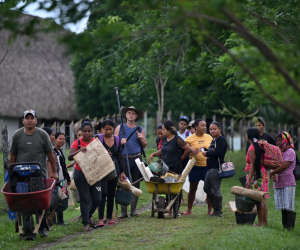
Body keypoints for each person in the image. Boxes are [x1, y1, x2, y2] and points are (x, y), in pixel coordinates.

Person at [9, 109, 58, 237]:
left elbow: (50, 154)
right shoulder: (17, 135)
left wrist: (55, 172)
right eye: (27, 118)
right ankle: (23, 224)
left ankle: (42, 228)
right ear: (23, 121)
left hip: (38, 173)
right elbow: (13, 154)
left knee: (41, 200)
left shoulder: (42, 135)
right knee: (22, 197)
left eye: (32, 118)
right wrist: (12, 170)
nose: (29, 120)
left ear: (36, 120)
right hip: (21, 174)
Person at [148, 120, 198, 217]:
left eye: (163, 130)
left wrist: (180, 159)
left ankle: (175, 210)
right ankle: (169, 210)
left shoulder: (178, 139)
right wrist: (153, 154)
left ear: (169, 130)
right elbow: (162, 151)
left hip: (175, 168)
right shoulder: (165, 139)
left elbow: (188, 149)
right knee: (167, 188)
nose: (162, 132)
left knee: (175, 190)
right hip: (165, 167)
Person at [68, 121, 102, 231]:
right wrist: (79, 151)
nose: (87, 133)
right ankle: (86, 223)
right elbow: (69, 157)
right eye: (84, 131)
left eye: (89, 131)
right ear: (81, 132)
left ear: (92, 132)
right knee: (85, 199)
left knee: (97, 198)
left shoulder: (95, 141)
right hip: (81, 174)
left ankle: (87, 215)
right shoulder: (77, 142)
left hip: (95, 174)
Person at [114, 106, 147, 218]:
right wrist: (120, 142)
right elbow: (113, 145)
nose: (131, 115)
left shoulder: (140, 129)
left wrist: (141, 138)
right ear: (126, 115)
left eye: (133, 113)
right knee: (124, 183)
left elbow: (144, 145)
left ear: (136, 116)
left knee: (136, 183)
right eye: (129, 113)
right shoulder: (119, 127)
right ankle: (124, 212)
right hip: (123, 158)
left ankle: (133, 210)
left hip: (137, 158)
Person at [93, 119, 126, 226]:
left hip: (114, 169)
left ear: (113, 128)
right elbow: (93, 154)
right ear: (102, 129)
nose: (108, 132)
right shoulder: (98, 138)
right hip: (102, 169)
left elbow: (119, 156)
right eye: (106, 129)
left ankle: (110, 218)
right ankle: (101, 219)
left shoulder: (116, 139)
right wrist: (103, 153)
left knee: (111, 193)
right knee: (103, 193)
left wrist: (121, 171)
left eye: (110, 129)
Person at [182, 118, 213, 216]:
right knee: (192, 189)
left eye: (205, 125)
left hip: (207, 167)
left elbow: (213, 149)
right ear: (196, 127)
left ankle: (210, 211)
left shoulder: (209, 137)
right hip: (194, 167)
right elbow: (183, 148)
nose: (205, 127)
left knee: (209, 188)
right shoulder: (189, 139)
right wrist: (191, 149)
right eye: (202, 125)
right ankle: (189, 210)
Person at [269, 132, 297, 230]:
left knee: (288, 205)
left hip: (288, 182)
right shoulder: (279, 151)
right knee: (283, 205)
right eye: (277, 140)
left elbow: (284, 165)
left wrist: (272, 172)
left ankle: (289, 228)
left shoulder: (290, 151)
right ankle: (285, 227)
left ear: (286, 140)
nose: (278, 142)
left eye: (280, 140)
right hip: (279, 182)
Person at [202, 122, 227, 217]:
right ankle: (216, 208)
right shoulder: (215, 139)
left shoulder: (220, 139)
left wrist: (207, 154)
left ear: (219, 129)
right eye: (211, 129)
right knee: (206, 188)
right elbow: (213, 151)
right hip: (210, 168)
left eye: (214, 129)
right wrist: (204, 149)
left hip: (216, 168)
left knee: (216, 189)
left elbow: (219, 153)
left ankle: (218, 211)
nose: (212, 131)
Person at [245, 127, 269, 227]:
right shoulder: (260, 144)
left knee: (258, 200)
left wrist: (249, 180)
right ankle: (264, 222)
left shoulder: (252, 147)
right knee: (262, 199)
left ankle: (260, 223)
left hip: (257, 175)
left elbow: (253, 165)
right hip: (264, 174)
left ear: (248, 136)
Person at [52, 132, 71, 226]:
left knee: (63, 199)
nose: (62, 141)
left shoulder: (60, 151)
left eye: (64, 139)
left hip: (63, 179)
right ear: (54, 139)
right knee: (56, 199)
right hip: (56, 180)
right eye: (60, 139)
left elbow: (64, 167)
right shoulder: (52, 152)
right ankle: (54, 221)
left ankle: (61, 220)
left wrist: (67, 179)